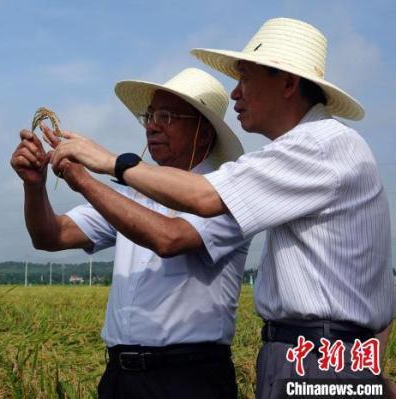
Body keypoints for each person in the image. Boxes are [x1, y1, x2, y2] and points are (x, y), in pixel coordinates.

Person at [51, 18, 395, 398]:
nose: (235, 94)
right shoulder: (308, 154)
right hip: (316, 353)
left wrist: (108, 163)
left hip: (306, 354)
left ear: (287, 82)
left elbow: (197, 204)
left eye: (244, 78)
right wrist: (360, 365)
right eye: (150, 117)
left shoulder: (318, 144)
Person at [11, 68, 251, 398]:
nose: (152, 125)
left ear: (204, 132)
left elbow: (170, 238)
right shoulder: (132, 195)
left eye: (167, 116)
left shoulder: (226, 193)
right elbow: (52, 236)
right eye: (149, 115)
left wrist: (83, 180)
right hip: (121, 377)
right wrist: (34, 186)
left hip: (187, 378)